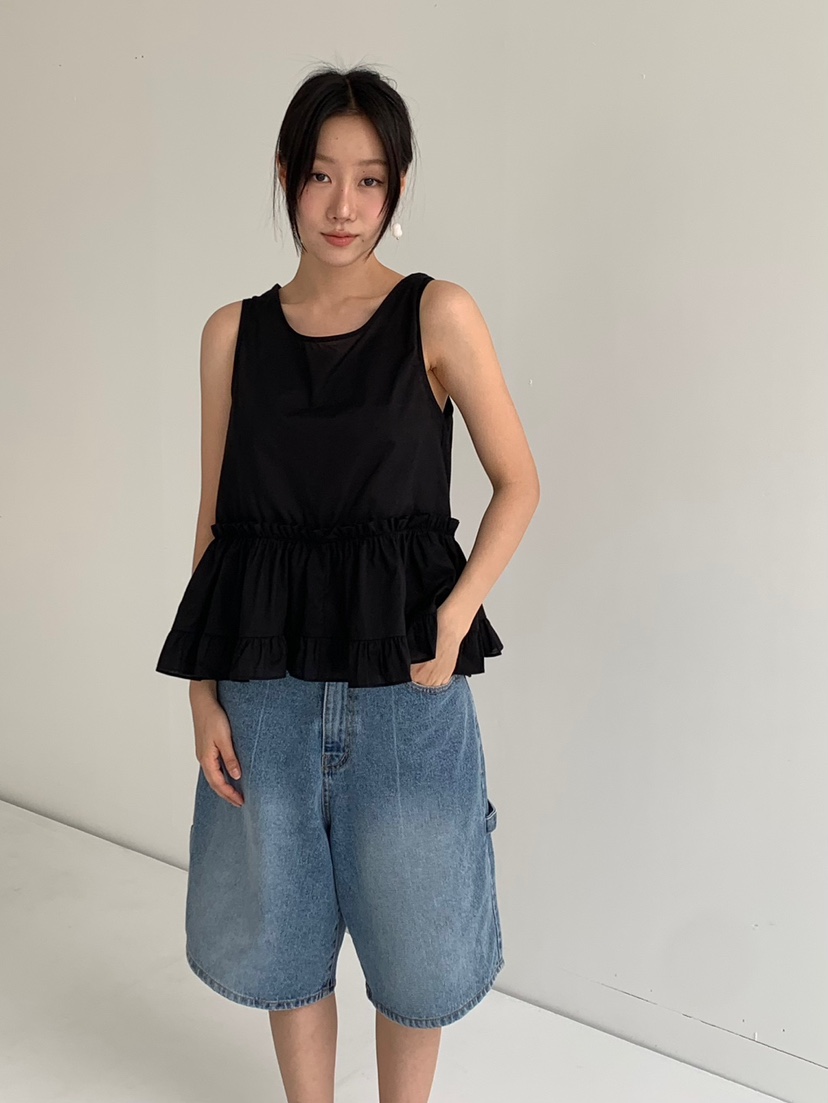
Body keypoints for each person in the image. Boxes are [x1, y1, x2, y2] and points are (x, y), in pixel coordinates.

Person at [155, 63, 540, 1103]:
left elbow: (519, 482)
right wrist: (201, 692)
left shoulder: (437, 314)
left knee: (419, 956)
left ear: (396, 188)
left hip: (409, 690)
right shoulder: (233, 334)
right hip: (265, 693)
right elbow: (217, 524)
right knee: (285, 944)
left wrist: (456, 614)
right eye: (322, 175)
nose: (342, 205)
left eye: (369, 180)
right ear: (286, 175)